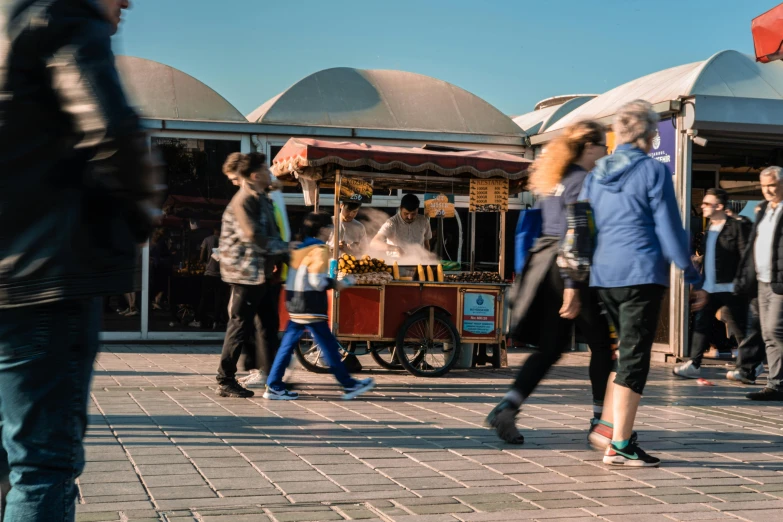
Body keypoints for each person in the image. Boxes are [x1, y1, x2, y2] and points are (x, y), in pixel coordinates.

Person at [0, 0, 161, 519]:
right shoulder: (61, 15)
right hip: (45, 277)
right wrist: (137, 220)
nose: (128, 2)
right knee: (43, 465)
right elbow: (113, 132)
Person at [580, 100, 705, 467]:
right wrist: (691, 273)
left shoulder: (597, 173)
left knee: (626, 351)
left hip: (604, 275)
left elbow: (589, 224)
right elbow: (668, 226)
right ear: (649, 135)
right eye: (653, 132)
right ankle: (620, 445)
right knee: (635, 359)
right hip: (641, 273)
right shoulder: (653, 171)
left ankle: (608, 425)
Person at [485, 121, 617, 448]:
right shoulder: (582, 181)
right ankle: (601, 420)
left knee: (550, 348)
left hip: (545, 266)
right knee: (601, 346)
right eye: (602, 145)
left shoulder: (556, 180)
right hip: (570, 269)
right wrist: (573, 284)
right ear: (588, 147)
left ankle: (508, 406)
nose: (606, 150)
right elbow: (577, 233)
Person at [264, 213, 376, 400]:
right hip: (311, 303)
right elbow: (317, 281)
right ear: (323, 230)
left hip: (294, 301)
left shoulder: (300, 246)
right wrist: (339, 283)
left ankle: (274, 385)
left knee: (287, 345)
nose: (332, 231)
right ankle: (348, 385)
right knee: (329, 345)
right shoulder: (320, 250)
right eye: (330, 227)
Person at [216, 152, 288, 398]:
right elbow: (253, 236)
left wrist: (281, 259)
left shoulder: (261, 197)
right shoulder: (245, 200)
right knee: (239, 326)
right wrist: (286, 249)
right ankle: (225, 379)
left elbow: (273, 233)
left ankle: (273, 380)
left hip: (262, 274)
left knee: (268, 326)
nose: (270, 173)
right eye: (266, 170)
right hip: (245, 273)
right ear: (256, 174)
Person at [674, 189, 749, 379]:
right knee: (701, 324)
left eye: (707, 204)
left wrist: (742, 283)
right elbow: (712, 256)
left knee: (739, 329)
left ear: (720, 206)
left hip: (731, 287)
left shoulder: (735, 226)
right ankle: (694, 363)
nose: (702, 206)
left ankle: (750, 365)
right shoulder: (709, 230)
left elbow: (745, 256)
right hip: (711, 287)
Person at [734, 166, 783, 401]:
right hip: (761, 281)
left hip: (779, 281)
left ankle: (778, 383)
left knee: (775, 330)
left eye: (772, 185)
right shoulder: (763, 209)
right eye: (764, 186)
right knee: (767, 334)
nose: (768, 190)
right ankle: (776, 385)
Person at [190, 226, 224, 328]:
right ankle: (216, 322)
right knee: (218, 299)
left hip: (209, 273)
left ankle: (198, 320)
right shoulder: (225, 241)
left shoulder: (207, 240)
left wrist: (204, 262)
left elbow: (201, 257)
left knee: (204, 298)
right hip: (221, 275)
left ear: (214, 230)